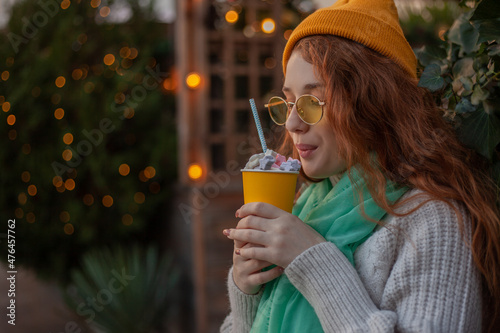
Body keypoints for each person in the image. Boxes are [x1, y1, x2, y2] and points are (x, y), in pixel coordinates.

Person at [220, 0, 500, 332]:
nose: (292, 123)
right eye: (290, 102)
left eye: (312, 102)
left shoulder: (433, 221)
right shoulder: (306, 206)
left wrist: (313, 262)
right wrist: (247, 291)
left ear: (374, 105)